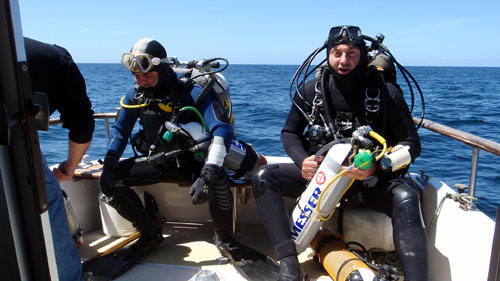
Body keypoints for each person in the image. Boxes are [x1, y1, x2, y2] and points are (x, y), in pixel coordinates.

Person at [251, 26, 428, 281]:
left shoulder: (385, 93)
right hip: (323, 177)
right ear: (328, 54)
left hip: (368, 181)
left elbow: (412, 144)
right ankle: (289, 267)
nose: (344, 60)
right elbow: (289, 133)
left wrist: (376, 168)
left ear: (363, 55)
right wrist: (303, 161)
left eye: (352, 53)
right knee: (263, 177)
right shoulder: (312, 91)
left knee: (406, 196)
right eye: (337, 53)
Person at [98, 38, 240, 266]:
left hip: (195, 162)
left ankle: (225, 239)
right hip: (159, 160)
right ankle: (148, 231)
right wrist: (109, 163)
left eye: (146, 75)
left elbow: (221, 129)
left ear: (161, 68)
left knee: (218, 180)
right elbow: (120, 131)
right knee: (110, 180)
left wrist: (210, 169)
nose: (141, 81)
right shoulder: (137, 95)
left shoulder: (192, 91)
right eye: (136, 76)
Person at [24, 37, 101, 281]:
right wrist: (70, 168)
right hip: (15, 138)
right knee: (48, 201)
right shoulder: (61, 63)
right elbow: (82, 123)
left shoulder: (20, 48)